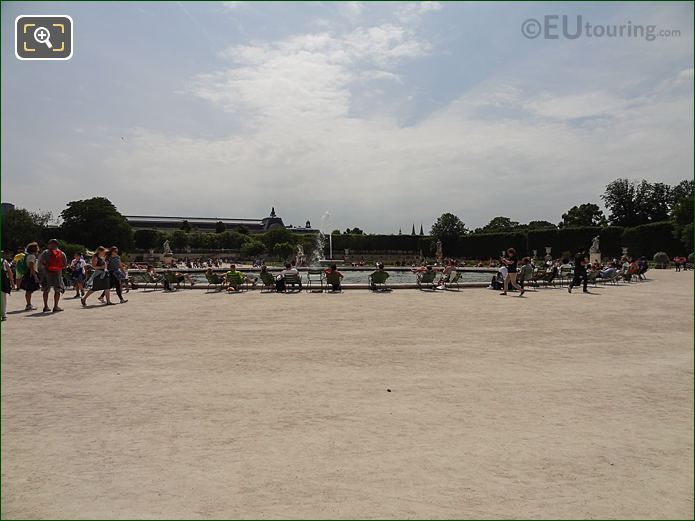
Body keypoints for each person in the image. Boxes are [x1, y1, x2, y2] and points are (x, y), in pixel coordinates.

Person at [38, 239, 68, 312]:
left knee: (46, 290)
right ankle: (56, 306)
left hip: (46, 273)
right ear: (57, 245)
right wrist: (58, 268)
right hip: (57, 274)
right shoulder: (61, 253)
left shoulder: (45, 253)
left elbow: (40, 263)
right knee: (57, 290)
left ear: (49, 244)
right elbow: (65, 265)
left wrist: (43, 271)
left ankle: (46, 306)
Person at [18, 242, 41, 311]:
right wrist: (35, 276)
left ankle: (29, 304)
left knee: (29, 290)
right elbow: (31, 266)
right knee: (29, 290)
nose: (38, 248)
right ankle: (28, 305)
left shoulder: (28, 255)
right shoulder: (32, 256)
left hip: (28, 273)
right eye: (37, 247)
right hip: (30, 274)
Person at [1, 251, 15, 321]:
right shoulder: (4, 261)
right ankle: (3, 315)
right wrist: (12, 283)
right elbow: (10, 272)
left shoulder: (4, 261)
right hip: (2, 282)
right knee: (3, 299)